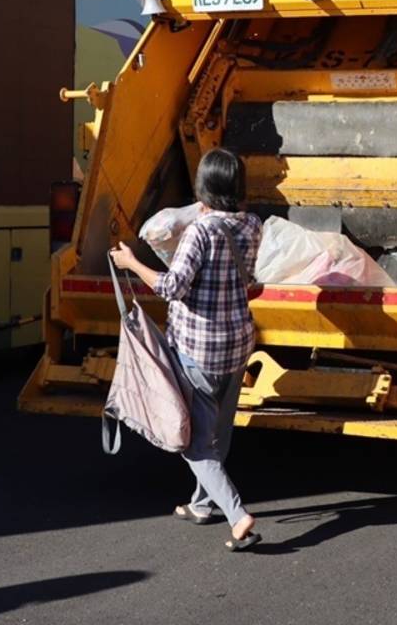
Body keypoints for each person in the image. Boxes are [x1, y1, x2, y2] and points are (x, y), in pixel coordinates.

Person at [110, 148, 264, 552]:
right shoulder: (252, 225)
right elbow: (248, 281)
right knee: (219, 430)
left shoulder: (200, 231)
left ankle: (237, 514)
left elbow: (170, 287)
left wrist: (131, 263)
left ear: (204, 187)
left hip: (200, 348)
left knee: (194, 442)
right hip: (238, 342)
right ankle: (201, 504)